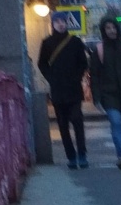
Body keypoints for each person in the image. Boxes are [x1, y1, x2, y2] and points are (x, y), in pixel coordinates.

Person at [37, 21, 89, 169]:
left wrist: (77, 77)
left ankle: (82, 154)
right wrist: (51, 78)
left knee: (77, 120)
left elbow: (83, 62)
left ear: (67, 24)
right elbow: (42, 63)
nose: (61, 25)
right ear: (53, 24)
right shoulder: (47, 42)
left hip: (73, 88)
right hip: (58, 89)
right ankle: (71, 156)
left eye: (63, 22)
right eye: (57, 22)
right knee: (62, 124)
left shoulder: (75, 41)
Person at [90, 16, 121, 168]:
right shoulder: (99, 50)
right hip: (109, 95)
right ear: (104, 31)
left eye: (113, 27)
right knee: (116, 123)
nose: (111, 30)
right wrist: (96, 98)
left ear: (117, 29)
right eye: (107, 28)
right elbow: (95, 75)